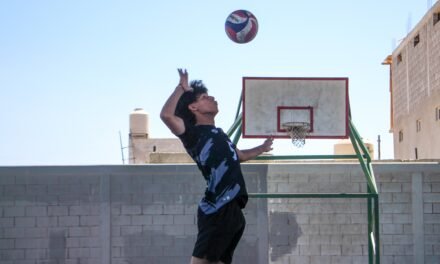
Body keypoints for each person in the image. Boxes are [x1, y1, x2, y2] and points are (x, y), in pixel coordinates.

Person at [160, 69, 273, 264]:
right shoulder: (192, 134)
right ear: (193, 107)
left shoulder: (220, 134)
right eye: (205, 97)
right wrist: (182, 89)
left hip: (234, 210)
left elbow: (240, 156)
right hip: (216, 207)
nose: (212, 97)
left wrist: (262, 148)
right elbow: (166, 116)